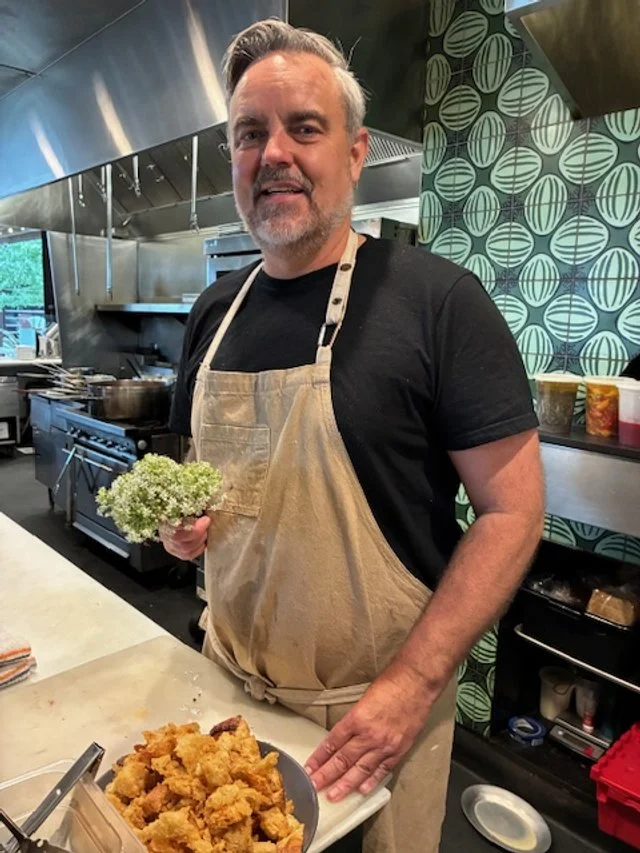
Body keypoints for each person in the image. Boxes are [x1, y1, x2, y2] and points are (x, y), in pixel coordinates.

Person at [163, 19, 544, 853]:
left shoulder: (437, 302)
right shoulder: (211, 315)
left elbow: (514, 513)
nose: (274, 154)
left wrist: (412, 687)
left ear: (357, 151)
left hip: (370, 728)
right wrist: (182, 528)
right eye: (249, 134)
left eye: (304, 127)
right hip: (226, 698)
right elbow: (199, 480)